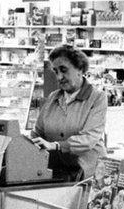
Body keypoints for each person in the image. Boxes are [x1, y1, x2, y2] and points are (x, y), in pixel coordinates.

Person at [30, 45, 108, 181]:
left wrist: (56, 146)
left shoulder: (97, 98)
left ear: (80, 69)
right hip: (56, 168)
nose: (59, 77)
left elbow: (88, 139)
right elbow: (38, 132)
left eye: (64, 70)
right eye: (55, 71)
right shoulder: (53, 97)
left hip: (87, 172)